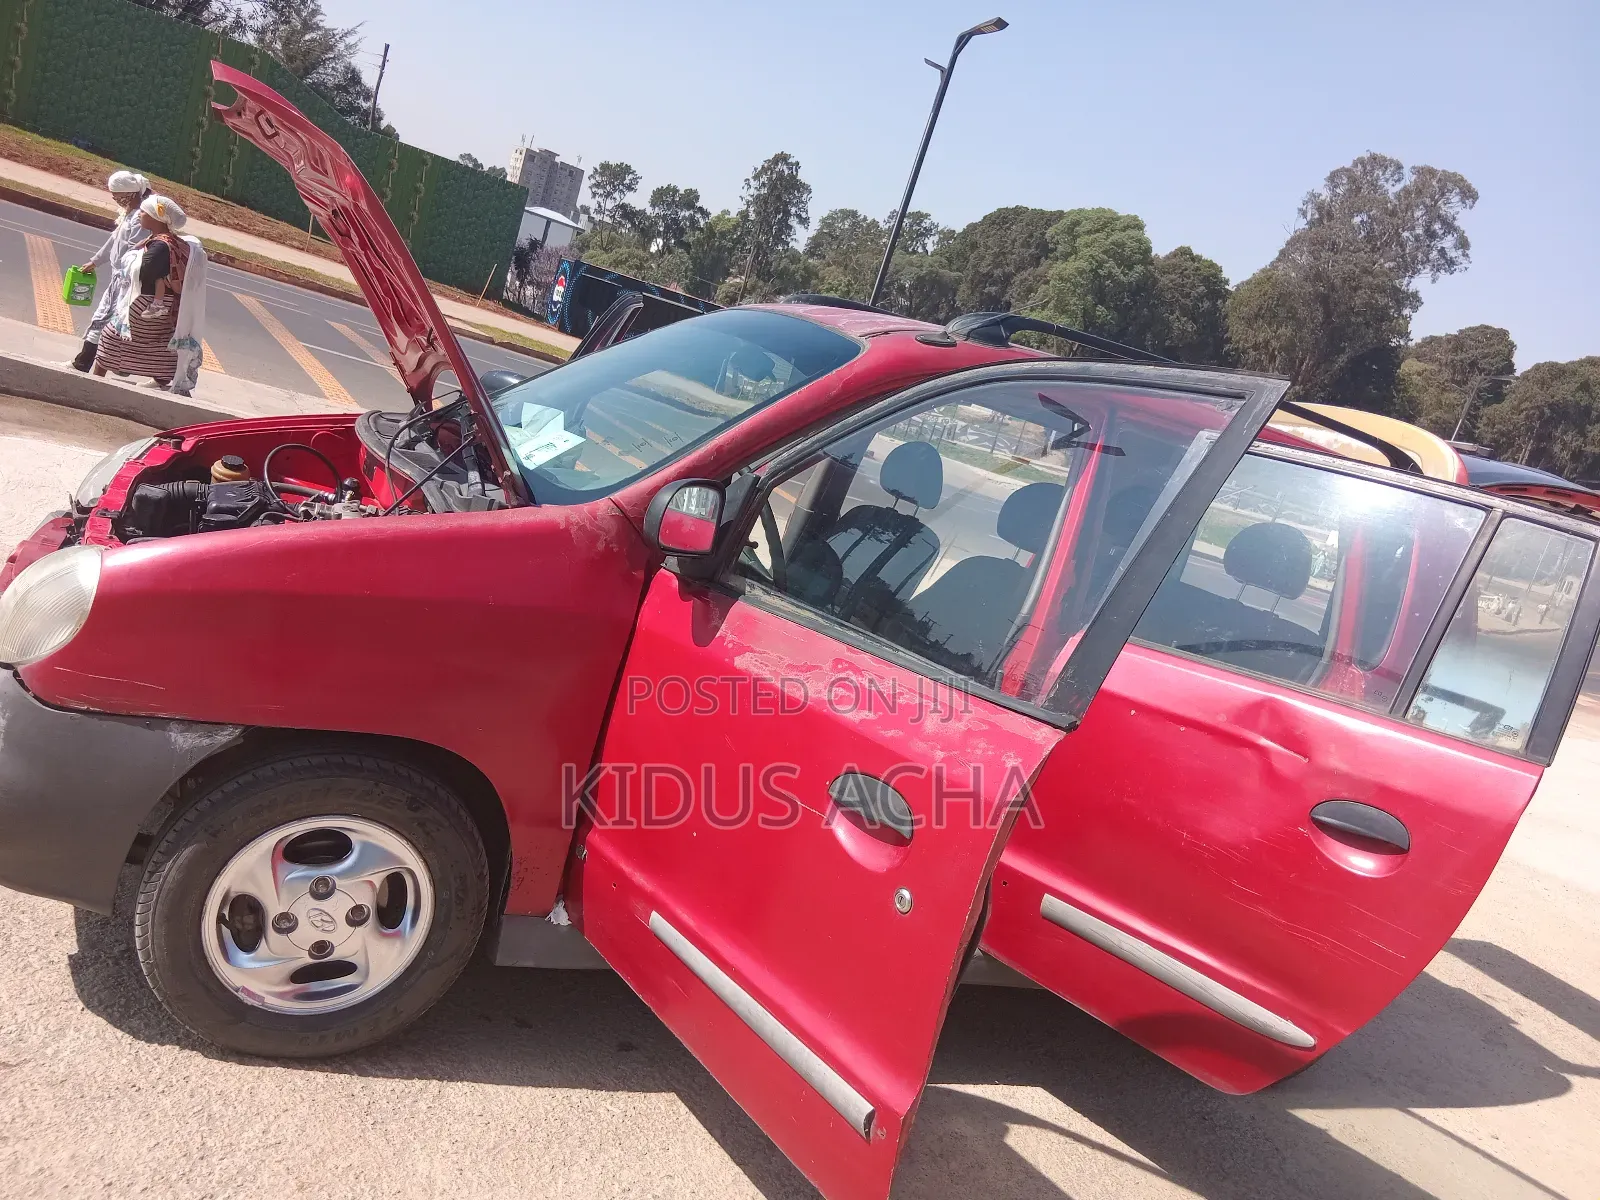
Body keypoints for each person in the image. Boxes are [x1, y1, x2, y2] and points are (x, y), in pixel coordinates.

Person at [93, 194, 209, 395]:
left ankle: (96, 381)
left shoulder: (160, 245)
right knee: (160, 345)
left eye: (144, 212)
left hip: (145, 304)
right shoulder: (169, 241)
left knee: (110, 337)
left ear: (157, 217)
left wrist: (133, 261)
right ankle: (169, 381)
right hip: (165, 304)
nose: (140, 214)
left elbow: (146, 270)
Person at [69, 170, 153, 372]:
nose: (114, 198)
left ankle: (86, 363)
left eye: (116, 194)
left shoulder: (139, 219)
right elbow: (114, 242)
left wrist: (122, 274)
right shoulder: (130, 215)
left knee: (106, 319)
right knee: (106, 319)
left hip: (125, 281)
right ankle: (89, 362)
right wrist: (95, 261)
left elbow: (134, 251)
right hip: (118, 278)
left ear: (130, 194)